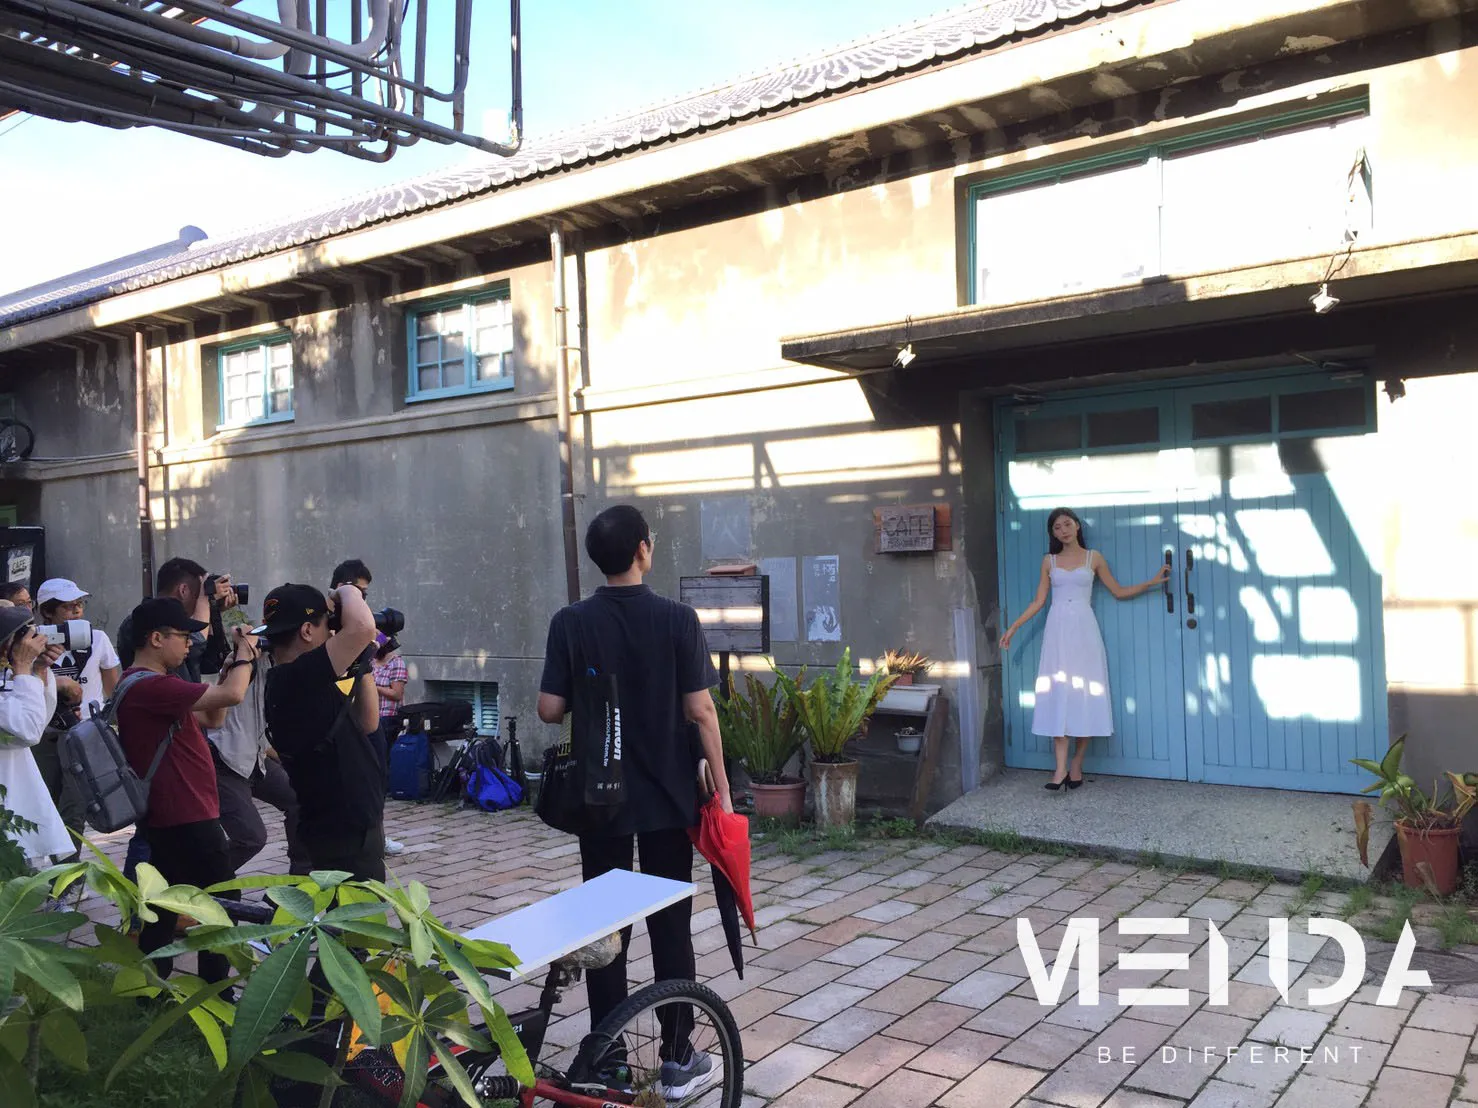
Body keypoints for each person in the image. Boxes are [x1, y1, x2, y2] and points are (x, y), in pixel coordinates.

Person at [536, 505, 731, 1101]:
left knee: (605, 928)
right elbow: (701, 710)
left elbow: (549, 709)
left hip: (601, 798)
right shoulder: (677, 619)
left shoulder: (571, 621)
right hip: (668, 796)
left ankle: (607, 1059)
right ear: (643, 549)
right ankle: (678, 1058)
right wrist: (723, 793)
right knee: (670, 925)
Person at [117, 597, 257, 983]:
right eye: (183, 636)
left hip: (174, 811)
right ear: (156, 638)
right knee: (223, 901)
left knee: (164, 904)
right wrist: (245, 656)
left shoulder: (148, 684)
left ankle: (152, 987)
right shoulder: (152, 686)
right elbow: (234, 695)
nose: (190, 644)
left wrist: (228, 670)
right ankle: (216, 989)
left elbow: (214, 717)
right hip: (186, 813)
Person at [998, 507, 1170, 790]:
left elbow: (1118, 591)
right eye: (1057, 527)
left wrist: (1150, 582)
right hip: (1057, 632)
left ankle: (1076, 762)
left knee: (1086, 693)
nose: (1063, 530)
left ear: (1077, 526)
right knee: (1058, 692)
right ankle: (1059, 769)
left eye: (1067, 524)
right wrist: (1014, 627)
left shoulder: (1094, 558)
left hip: (1085, 631)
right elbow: (1039, 601)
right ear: (1052, 533)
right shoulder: (1049, 561)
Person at [260, 583, 386, 880]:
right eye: (326, 626)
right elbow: (363, 627)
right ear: (307, 631)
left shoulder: (299, 681)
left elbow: (367, 722)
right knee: (357, 907)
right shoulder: (296, 678)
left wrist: (361, 663)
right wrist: (348, 590)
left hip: (350, 824)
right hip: (341, 829)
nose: (332, 633)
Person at [205, 608, 310, 876]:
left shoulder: (287, 669)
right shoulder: (251, 658)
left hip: (255, 758)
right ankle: (199, 881)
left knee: (301, 798)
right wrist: (245, 645)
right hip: (224, 759)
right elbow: (237, 637)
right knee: (250, 837)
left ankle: (300, 877)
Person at [29, 579, 121, 860]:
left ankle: (68, 876)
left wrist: (107, 726)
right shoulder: (31, 644)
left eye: (79, 604)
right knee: (45, 804)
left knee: (75, 807)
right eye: (68, 607)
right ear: (47, 612)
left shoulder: (98, 639)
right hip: (42, 733)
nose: (77, 611)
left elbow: (113, 688)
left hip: (83, 736)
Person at [329, 559, 405, 857]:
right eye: (360, 593)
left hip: (366, 711)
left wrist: (378, 638)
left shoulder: (360, 623)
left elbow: (376, 650)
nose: (363, 600)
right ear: (342, 589)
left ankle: (376, 836)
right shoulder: (328, 624)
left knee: (376, 776)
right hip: (340, 714)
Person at [0, 602, 70, 867]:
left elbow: (38, 721)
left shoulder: (8, 677)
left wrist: (37, 670)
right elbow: (27, 730)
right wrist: (22, 667)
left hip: (14, 807)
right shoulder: (12, 673)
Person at [118, 558, 233, 680]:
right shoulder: (140, 621)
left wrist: (213, 610)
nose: (188, 642)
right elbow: (196, 645)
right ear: (183, 590)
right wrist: (204, 600)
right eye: (198, 594)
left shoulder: (176, 628)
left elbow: (211, 663)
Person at [371, 634, 406, 755]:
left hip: (387, 719)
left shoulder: (396, 662)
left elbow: (397, 694)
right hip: (370, 716)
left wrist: (374, 688)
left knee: (382, 756)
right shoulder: (371, 662)